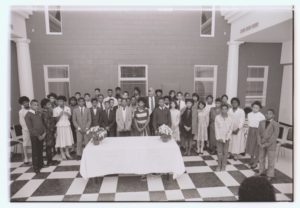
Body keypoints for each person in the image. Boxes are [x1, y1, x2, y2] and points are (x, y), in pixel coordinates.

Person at [257, 109, 279, 181]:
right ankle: (261, 171)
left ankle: (270, 174)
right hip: (261, 143)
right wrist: (259, 142)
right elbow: (258, 133)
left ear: (273, 115)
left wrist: (266, 144)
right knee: (261, 158)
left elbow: (274, 136)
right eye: (267, 113)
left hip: (271, 145)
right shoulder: (261, 122)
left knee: (271, 160)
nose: (268, 115)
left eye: (270, 114)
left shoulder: (275, 124)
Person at [24, 99, 46, 174]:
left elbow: (42, 124)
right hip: (34, 136)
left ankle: (41, 164)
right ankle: (36, 167)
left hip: (41, 135)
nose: (36, 106)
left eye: (37, 105)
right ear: (31, 105)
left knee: (40, 150)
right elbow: (30, 128)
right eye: (34, 105)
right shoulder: (28, 115)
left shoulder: (38, 113)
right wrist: (38, 135)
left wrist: (44, 132)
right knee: (35, 151)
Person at [245, 101, 265, 169]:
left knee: (257, 148)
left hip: (258, 132)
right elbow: (248, 124)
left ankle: (256, 162)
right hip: (251, 131)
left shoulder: (262, 116)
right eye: (253, 107)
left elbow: (263, 127)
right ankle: (251, 159)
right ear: (252, 107)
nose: (255, 109)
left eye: (257, 108)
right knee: (251, 147)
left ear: (259, 108)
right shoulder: (249, 114)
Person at [53, 96, 74, 160]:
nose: (60, 102)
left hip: (67, 125)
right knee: (61, 139)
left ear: (64, 102)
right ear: (57, 102)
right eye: (59, 101)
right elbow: (55, 120)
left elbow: (70, 118)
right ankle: (62, 153)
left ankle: (67, 152)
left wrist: (67, 113)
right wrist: (60, 114)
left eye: (62, 101)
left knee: (67, 139)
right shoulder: (55, 109)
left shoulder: (67, 108)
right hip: (60, 126)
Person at [40, 98, 59, 166]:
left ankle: (50, 160)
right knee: (48, 146)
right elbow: (47, 123)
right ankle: (49, 161)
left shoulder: (48, 111)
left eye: (50, 104)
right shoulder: (44, 113)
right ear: (44, 105)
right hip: (48, 132)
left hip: (50, 131)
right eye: (48, 104)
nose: (50, 105)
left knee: (50, 146)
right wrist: (53, 130)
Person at [215, 104, 233, 171]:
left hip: (227, 138)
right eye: (222, 109)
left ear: (227, 110)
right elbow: (216, 128)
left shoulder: (230, 118)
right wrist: (218, 137)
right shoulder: (217, 117)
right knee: (219, 152)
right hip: (219, 138)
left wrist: (227, 137)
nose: (224, 110)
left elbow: (230, 129)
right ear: (220, 109)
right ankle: (219, 165)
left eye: (225, 109)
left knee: (225, 152)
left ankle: (224, 165)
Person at [18, 96, 31, 164]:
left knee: (34, 142)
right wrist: (27, 129)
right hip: (26, 130)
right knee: (25, 143)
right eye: (24, 103)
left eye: (26, 102)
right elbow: (21, 122)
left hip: (33, 129)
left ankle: (35, 156)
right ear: (22, 104)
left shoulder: (32, 109)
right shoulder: (21, 111)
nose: (26, 103)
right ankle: (26, 157)